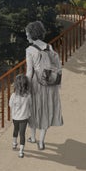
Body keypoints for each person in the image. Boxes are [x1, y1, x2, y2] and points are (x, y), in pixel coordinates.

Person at [25, 21, 63, 150]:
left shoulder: (29, 50)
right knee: (46, 111)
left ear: (32, 34)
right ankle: (41, 142)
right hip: (50, 84)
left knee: (35, 110)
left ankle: (32, 137)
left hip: (37, 83)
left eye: (27, 33)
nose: (26, 36)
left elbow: (29, 72)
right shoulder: (49, 46)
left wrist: (26, 87)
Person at [9, 74, 32, 158]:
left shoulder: (13, 95)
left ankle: (14, 143)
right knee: (22, 134)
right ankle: (21, 151)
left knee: (15, 130)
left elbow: (10, 105)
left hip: (15, 117)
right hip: (24, 118)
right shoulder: (28, 96)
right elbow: (30, 105)